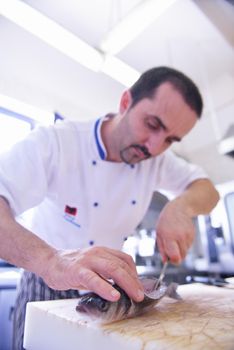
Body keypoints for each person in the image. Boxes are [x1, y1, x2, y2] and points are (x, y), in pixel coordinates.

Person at [0, 66, 219, 349]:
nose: (154, 147)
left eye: (170, 140)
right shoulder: (56, 142)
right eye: (152, 124)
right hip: (45, 285)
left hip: (111, 295)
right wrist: (52, 261)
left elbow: (208, 190)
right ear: (125, 103)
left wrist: (181, 207)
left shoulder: (156, 161)